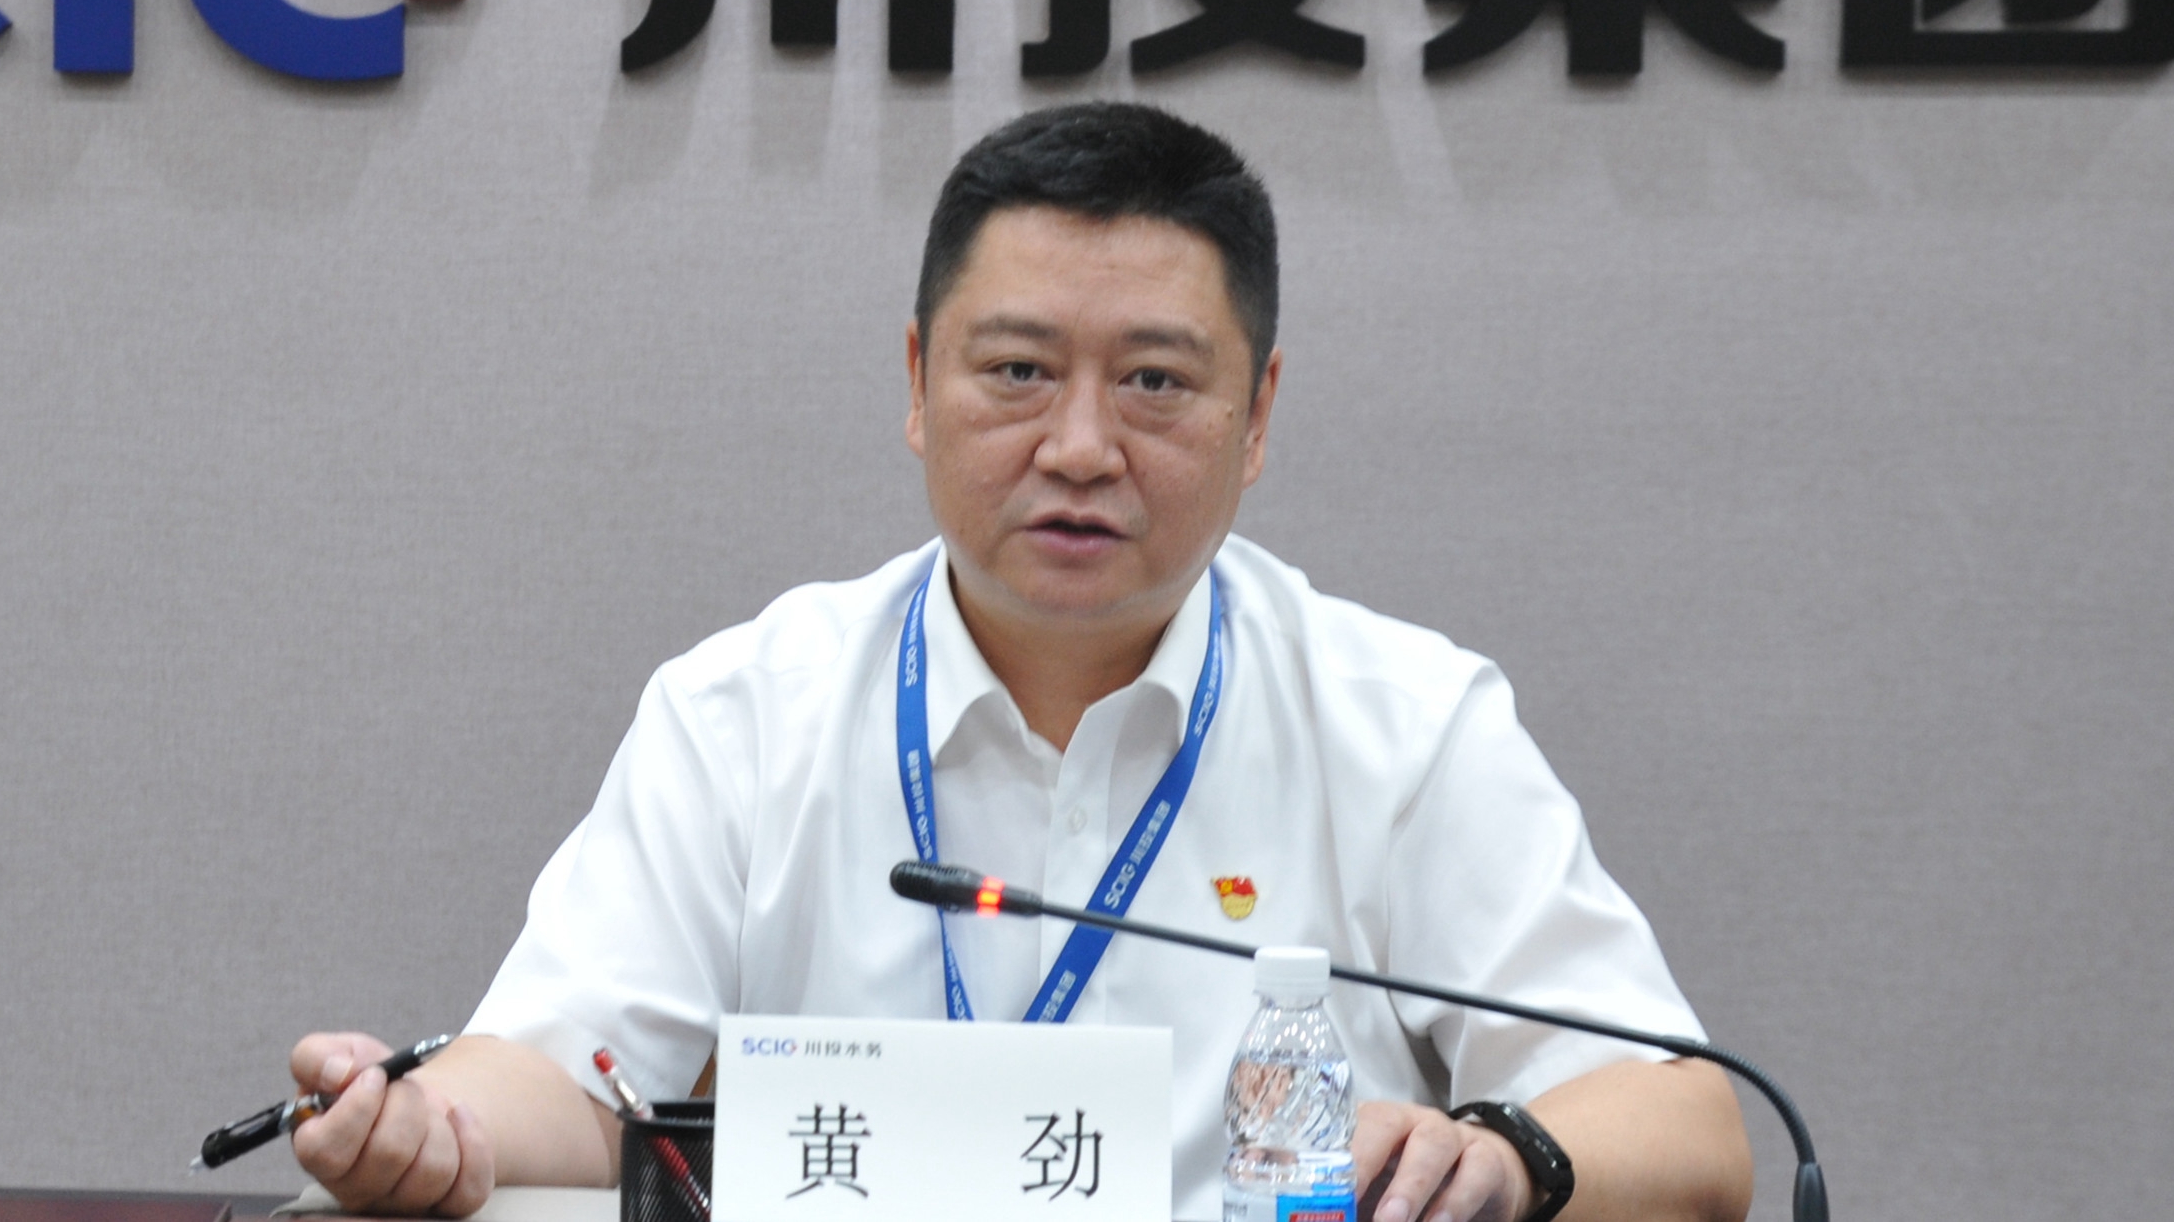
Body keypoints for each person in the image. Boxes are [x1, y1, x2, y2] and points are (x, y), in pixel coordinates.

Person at [286, 103, 1753, 1222]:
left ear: (1257, 417)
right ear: (917, 384)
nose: (1080, 447)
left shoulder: (1407, 724)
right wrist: (426, 1132)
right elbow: (559, 1073)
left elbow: (1693, 1132)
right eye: (1017, 372)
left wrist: (1508, 1153)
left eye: (1156, 382)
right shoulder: (746, 713)